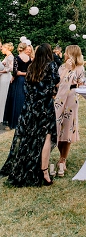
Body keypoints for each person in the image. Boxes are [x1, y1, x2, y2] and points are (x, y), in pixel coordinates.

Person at [0, 43, 59, 186]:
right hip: (44, 106)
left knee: (29, 136)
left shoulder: (31, 67)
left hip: (30, 107)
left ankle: (27, 166)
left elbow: (26, 86)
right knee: (46, 136)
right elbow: (55, 83)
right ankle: (44, 171)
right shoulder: (51, 66)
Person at [53, 45, 86, 177]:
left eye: (66, 52)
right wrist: (66, 69)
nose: (64, 54)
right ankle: (60, 155)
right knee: (58, 127)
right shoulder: (61, 67)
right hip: (59, 99)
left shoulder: (80, 68)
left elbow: (82, 84)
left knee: (68, 128)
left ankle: (63, 159)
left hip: (71, 98)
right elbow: (57, 83)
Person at [3, 42, 32, 129]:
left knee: (15, 100)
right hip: (26, 80)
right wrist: (25, 73)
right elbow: (30, 72)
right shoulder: (29, 58)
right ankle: (24, 121)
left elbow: (15, 71)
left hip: (18, 80)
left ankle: (14, 121)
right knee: (24, 99)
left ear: (20, 48)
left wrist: (14, 76)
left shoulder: (17, 57)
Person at [0, 43, 14, 126]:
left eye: (3, 48)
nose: (1, 49)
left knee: (4, 95)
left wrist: (2, 71)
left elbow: (11, 68)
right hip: (3, 77)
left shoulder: (10, 56)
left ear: (7, 48)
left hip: (6, 77)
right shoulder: (6, 57)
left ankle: (3, 116)